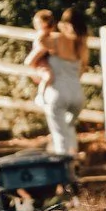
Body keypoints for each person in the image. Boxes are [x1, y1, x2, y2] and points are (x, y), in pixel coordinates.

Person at [23, 8, 85, 159]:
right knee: (69, 130)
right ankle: (74, 164)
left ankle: (63, 167)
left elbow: (36, 50)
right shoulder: (81, 45)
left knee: (59, 135)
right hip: (77, 94)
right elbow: (81, 71)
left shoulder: (56, 40)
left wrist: (43, 31)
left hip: (57, 92)